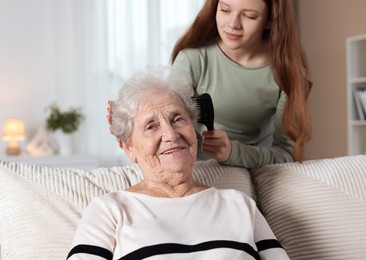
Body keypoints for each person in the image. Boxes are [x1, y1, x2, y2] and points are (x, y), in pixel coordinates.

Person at [67, 67, 289, 259]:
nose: (171, 134)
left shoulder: (240, 205)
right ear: (128, 148)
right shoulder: (110, 210)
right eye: (151, 126)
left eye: (178, 119)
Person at [169, 0, 312, 168]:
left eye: (249, 16)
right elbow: (170, 129)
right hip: (197, 164)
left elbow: (287, 155)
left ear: (270, 20)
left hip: (258, 163)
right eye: (225, 10)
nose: (233, 24)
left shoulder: (288, 73)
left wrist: (232, 152)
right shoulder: (192, 60)